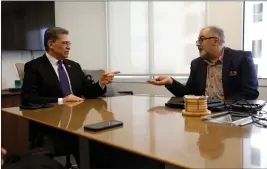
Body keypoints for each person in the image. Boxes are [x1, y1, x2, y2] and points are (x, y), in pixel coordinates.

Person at [20, 26, 120, 168]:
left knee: (104, 143)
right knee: (90, 145)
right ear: (50, 44)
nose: (69, 47)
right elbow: (28, 98)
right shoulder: (34, 66)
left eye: (69, 44)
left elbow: (88, 92)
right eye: (65, 43)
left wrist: (101, 83)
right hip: (52, 125)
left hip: (77, 123)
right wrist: (61, 100)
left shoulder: (74, 66)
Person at [147, 26, 259, 100]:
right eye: (198, 41)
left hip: (232, 117)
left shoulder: (242, 58)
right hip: (203, 116)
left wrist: (220, 105)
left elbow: (250, 92)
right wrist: (170, 82)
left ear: (216, 41)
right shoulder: (197, 64)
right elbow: (189, 94)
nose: (197, 44)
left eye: (201, 40)